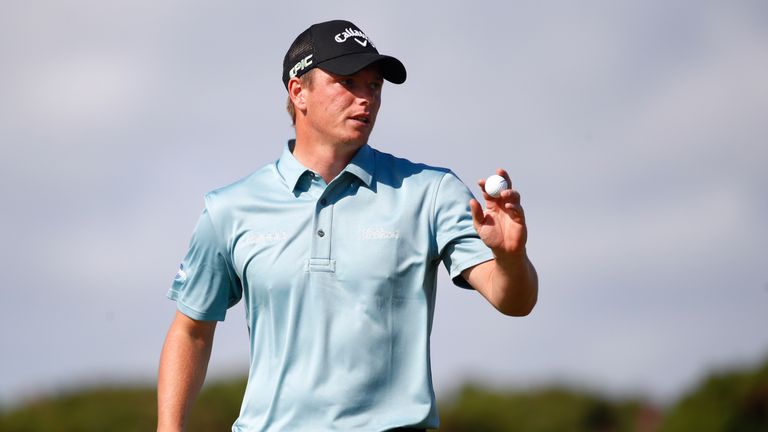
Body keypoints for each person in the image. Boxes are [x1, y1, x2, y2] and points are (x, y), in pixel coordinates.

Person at [157, 19, 538, 432]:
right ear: (298, 92)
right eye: (348, 82)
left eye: (374, 86)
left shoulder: (431, 192)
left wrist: (510, 258)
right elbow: (191, 331)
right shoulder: (230, 208)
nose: (366, 99)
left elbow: (513, 301)